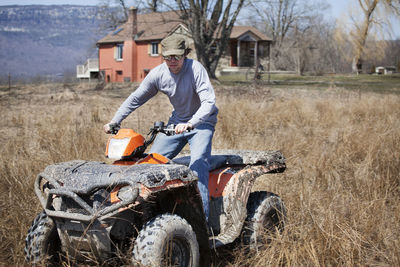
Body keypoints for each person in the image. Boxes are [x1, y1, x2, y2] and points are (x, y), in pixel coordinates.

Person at [103, 35, 218, 221]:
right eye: (168, 57)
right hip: (177, 122)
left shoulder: (196, 69)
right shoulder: (158, 73)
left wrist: (192, 123)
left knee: (198, 166)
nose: (172, 61)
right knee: (150, 165)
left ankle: (202, 224)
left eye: (177, 57)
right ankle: (147, 215)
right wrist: (115, 121)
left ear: (185, 55)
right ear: (163, 56)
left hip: (202, 122)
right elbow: (136, 98)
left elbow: (209, 102)